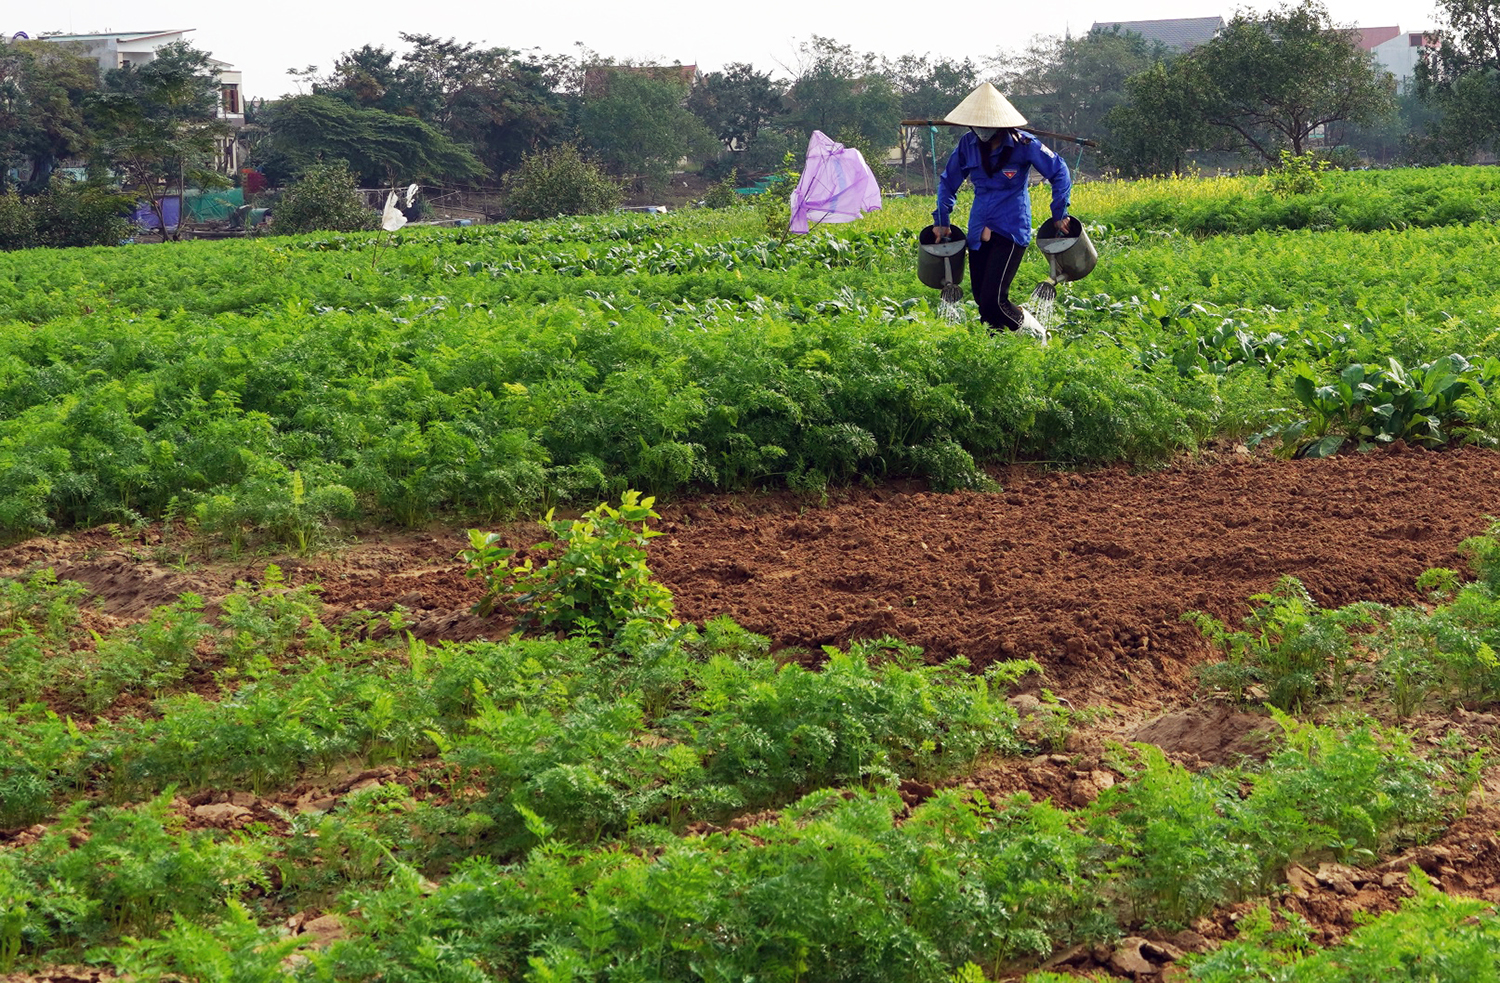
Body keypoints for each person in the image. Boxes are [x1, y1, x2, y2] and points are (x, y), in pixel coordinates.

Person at [931, 83, 1073, 332]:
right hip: (979, 228)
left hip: (1010, 226)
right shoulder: (967, 145)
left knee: (994, 301)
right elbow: (948, 181)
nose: (982, 131)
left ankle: (1036, 336)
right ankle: (998, 354)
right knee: (982, 303)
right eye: (977, 126)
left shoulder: (1025, 144)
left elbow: (1059, 171)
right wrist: (942, 219)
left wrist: (1059, 213)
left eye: (987, 126)